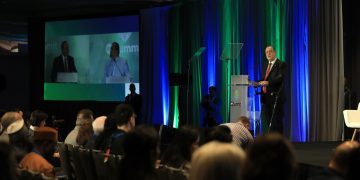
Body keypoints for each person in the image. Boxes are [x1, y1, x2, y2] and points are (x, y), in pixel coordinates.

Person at [258, 46, 286, 134]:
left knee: (276, 122)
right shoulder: (266, 65)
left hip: (275, 97)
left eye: (270, 51)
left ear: (275, 52)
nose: (268, 53)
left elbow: (280, 78)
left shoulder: (281, 64)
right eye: (266, 52)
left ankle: (279, 144)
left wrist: (268, 83)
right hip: (265, 98)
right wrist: (256, 83)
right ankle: (272, 142)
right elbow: (264, 79)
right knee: (268, 122)